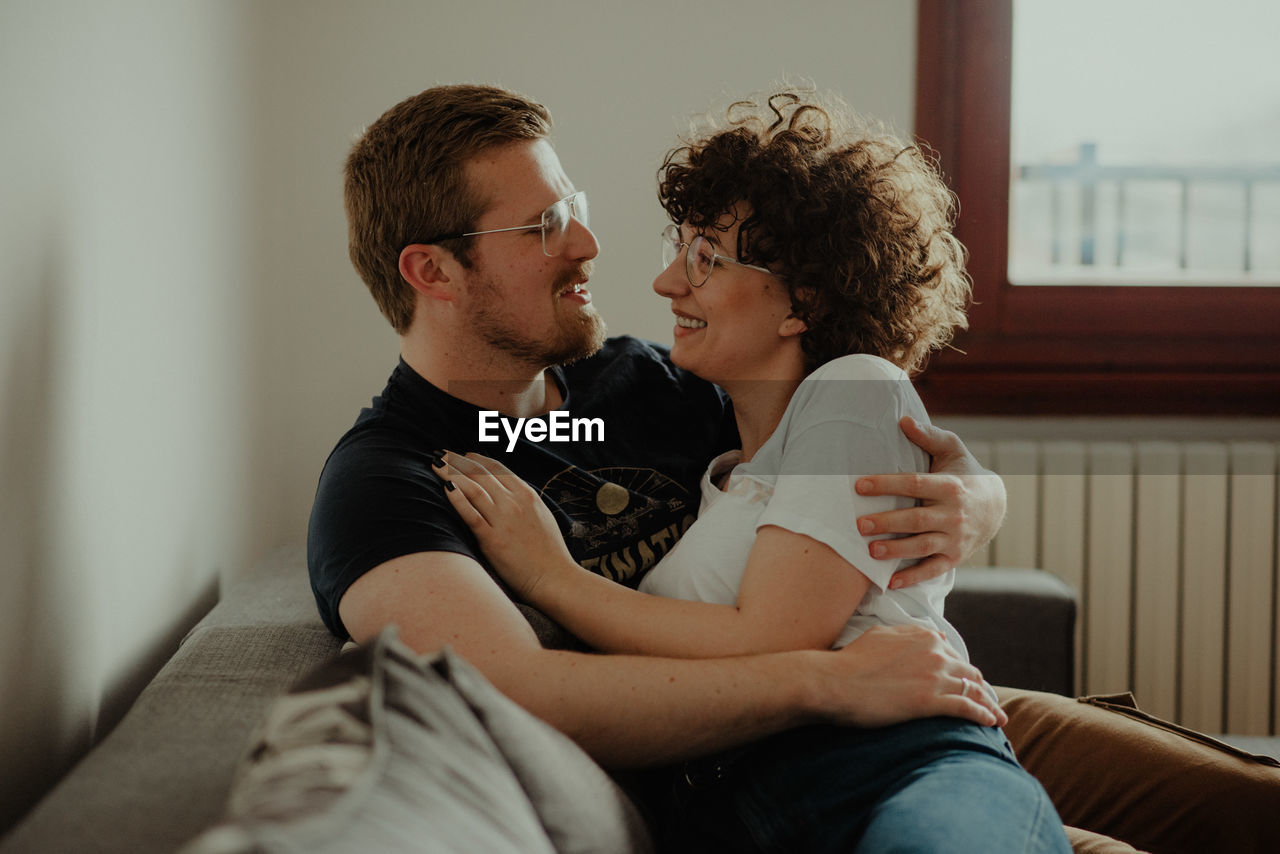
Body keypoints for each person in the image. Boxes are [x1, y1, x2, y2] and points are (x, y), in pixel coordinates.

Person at [309, 83, 1280, 853]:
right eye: (540, 226)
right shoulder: (389, 479)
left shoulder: (643, 384)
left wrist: (973, 496)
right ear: (429, 271)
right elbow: (517, 686)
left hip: (920, 702)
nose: (589, 246)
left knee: (1247, 806)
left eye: (573, 208)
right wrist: (823, 683)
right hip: (789, 744)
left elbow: (837, 409)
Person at [433, 88, 1072, 853]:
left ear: (803, 300)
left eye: (705, 257)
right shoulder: (722, 459)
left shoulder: (853, 387)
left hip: (900, 766)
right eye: (680, 250)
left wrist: (553, 577)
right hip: (743, 807)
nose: (669, 283)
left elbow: (774, 635)